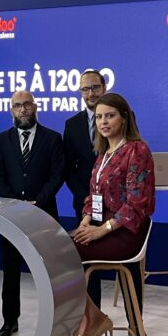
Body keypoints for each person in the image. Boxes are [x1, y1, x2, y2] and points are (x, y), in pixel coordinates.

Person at [71, 93, 155, 336]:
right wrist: (86, 221)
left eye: (110, 116)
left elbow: (137, 204)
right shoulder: (104, 153)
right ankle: (92, 316)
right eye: (99, 117)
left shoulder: (137, 150)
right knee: (58, 248)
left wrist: (101, 230)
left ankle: (105, 321)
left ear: (124, 118)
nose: (103, 122)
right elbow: (94, 196)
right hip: (102, 224)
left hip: (127, 230)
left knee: (68, 252)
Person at [0, 90, 64, 336]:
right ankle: (10, 320)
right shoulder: (3, 139)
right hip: (11, 216)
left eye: (26, 104)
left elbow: (57, 174)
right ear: (11, 110)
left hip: (44, 214)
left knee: (50, 272)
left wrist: (38, 200)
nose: (22, 109)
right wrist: (14, 201)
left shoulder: (53, 138)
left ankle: (55, 321)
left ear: (35, 107)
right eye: (17, 105)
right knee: (11, 270)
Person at [63, 69, 107, 307]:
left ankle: (135, 322)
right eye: (85, 89)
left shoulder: (122, 116)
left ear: (104, 88)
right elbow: (68, 167)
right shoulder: (72, 124)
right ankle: (93, 315)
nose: (90, 93)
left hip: (116, 204)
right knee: (88, 262)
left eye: (95, 87)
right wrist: (83, 196)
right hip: (84, 203)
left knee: (127, 265)